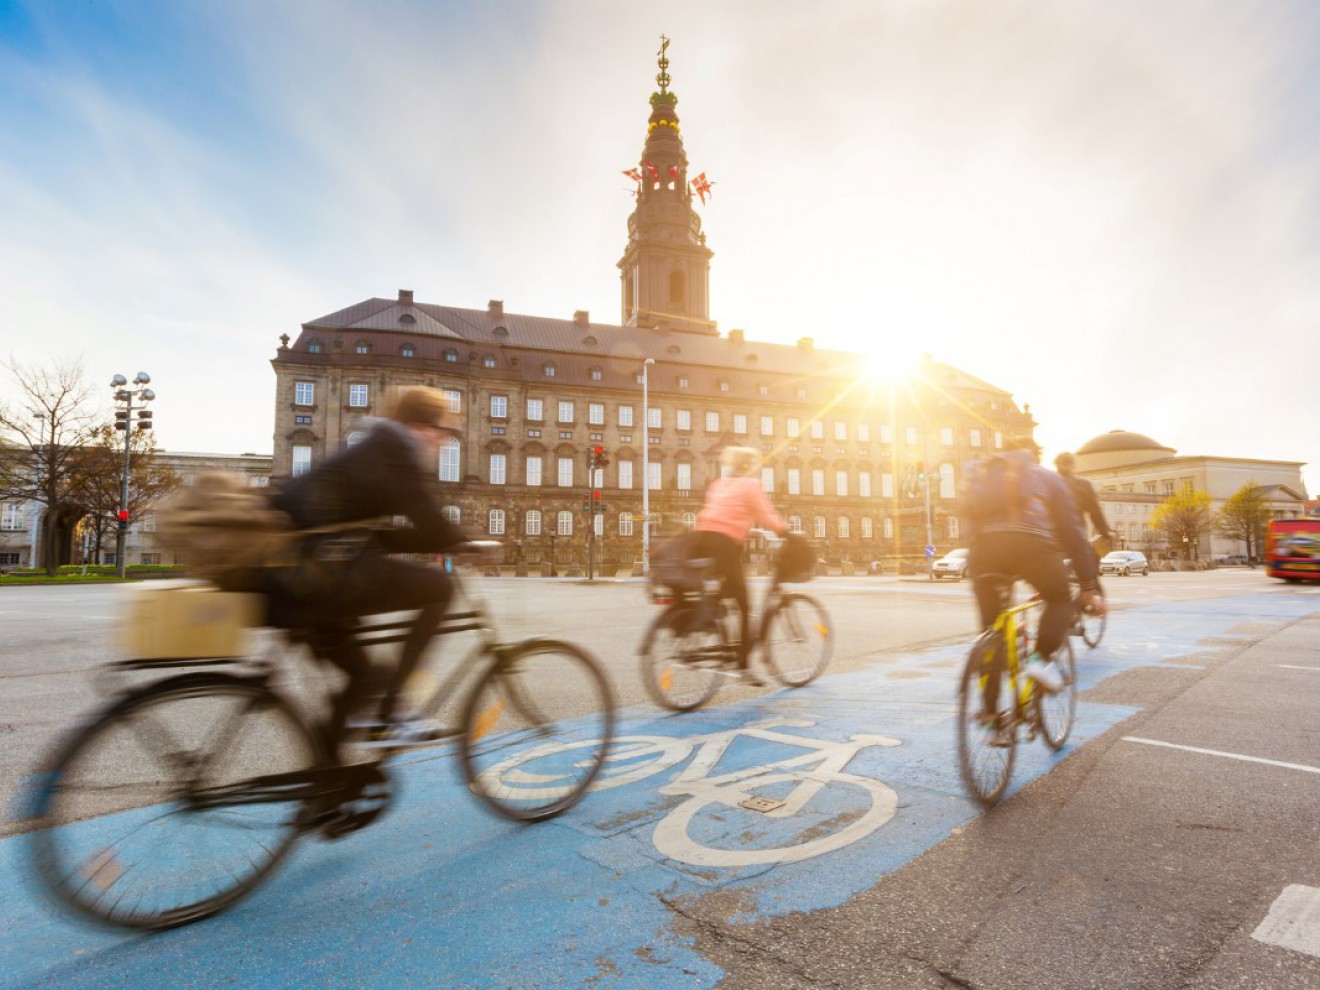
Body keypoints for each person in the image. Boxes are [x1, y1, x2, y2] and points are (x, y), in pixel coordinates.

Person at [264, 386, 467, 754]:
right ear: (421, 425)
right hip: (314, 575)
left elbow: (381, 537)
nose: (442, 438)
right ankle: (392, 712)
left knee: (364, 680)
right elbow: (430, 523)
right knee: (440, 588)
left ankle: (328, 787)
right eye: (440, 428)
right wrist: (460, 539)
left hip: (296, 574)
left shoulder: (376, 447)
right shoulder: (395, 451)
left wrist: (442, 540)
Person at [962, 437, 1105, 694]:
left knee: (991, 631)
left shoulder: (982, 474)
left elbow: (967, 519)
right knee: (1060, 598)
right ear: (1032, 455)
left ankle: (992, 722)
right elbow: (1073, 534)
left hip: (983, 551)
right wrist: (1088, 584)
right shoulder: (1047, 478)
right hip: (1031, 545)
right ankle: (1039, 661)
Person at [691, 446, 789, 684]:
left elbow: (715, 515)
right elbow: (766, 515)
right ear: (749, 466)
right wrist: (787, 532)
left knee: (722, 593)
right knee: (744, 605)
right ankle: (743, 667)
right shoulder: (750, 485)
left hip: (701, 540)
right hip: (725, 546)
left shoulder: (718, 484)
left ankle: (708, 619)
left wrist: (745, 528)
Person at [1054, 451, 1113, 557]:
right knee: (1087, 569)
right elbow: (1095, 512)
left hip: (1051, 538)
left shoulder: (1048, 483)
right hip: (1075, 536)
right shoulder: (1083, 485)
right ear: (1072, 465)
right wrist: (1105, 533)